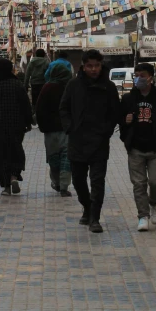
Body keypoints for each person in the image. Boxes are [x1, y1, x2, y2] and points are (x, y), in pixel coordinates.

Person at [59, 49, 120, 233]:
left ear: (101, 66)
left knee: (97, 181)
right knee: (78, 180)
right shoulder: (73, 85)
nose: (94, 69)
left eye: (97, 66)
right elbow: (63, 108)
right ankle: (86, 206)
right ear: (83, 67)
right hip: (77, 140)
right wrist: (70, 127)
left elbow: (114, 112)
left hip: (99, 141)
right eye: (90, 66)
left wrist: (106, 131)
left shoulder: (108, 87)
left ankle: (95, 217)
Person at [119, 62, 156, 232]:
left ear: (150, 77)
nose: (138, 79)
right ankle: (143, 215)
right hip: (136, 148)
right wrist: (125, 126)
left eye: (142, 75)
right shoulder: (128, 99)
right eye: (136, 75)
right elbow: (121, 121)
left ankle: (154, 203)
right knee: (139, 183)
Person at [0, 58, 33, 196]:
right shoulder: (17, 85)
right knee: (15, 151)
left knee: (0, 155)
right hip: (16, 126)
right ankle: (14, 176)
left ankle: (6, 187)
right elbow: (26, 105)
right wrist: (28, 122)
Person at [35, 61, 74, 197]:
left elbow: (39, 109)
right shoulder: (69, 88)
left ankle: (56, 182)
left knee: (54, 158)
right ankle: (64, 186)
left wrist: (42, 125)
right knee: (66, 158)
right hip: (66, 130)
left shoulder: (47, 87)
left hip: (50, 131)